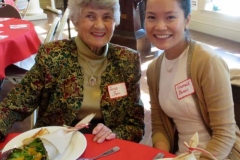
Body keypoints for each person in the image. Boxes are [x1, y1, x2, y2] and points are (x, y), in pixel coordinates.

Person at [0, 0, 144, 144]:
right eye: (90, 16)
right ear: (75, 20)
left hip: (106, 145)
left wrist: (114, 134)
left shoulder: (127, 60)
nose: (100, 25)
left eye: (107, 17)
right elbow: (13, 106)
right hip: (56, 145)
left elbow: (135, 125)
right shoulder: (53, 56)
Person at [145, 0, 240, 159]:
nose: (160, 26)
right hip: (181, 155)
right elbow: (160, 127)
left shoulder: (206, 61)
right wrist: (161, 157)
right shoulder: (154, 69)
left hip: (220, 155)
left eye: (170, 17)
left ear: (187, 20)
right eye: (151, 17)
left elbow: (225, 133)